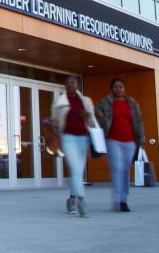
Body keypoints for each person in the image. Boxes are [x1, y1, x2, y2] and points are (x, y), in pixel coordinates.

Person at [95, 78, 145, 212]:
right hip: (112, 140)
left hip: (130, 141)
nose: (118, 89)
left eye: (121, 86)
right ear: (112, 88)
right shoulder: (106, 102)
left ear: (124, 88)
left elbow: (139, 121)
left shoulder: (132, 103)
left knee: (125, 170)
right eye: (116, 87)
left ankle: (124, 200)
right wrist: (100, 114)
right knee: (117, 168)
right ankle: (117, 199)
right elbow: (96, 112)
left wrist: (141, 138)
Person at [52, 75, 97, 217]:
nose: (70, 85)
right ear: (65, 86)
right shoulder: (60, 101)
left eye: (73, 82)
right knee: (75, 168)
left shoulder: (86, 101)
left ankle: (71, 199)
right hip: (67, 138)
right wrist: (54, 131)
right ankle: (82, 202)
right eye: (68, 83)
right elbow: (54, 122)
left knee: (78, 171)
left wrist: (87, 116)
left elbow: (93, 123)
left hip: (83, 138)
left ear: (77, 84)